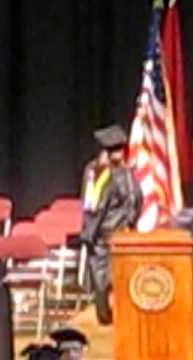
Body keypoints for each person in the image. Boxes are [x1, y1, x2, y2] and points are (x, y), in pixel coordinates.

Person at [80, 124, 142, 325]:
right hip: (111, 233)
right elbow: (134, 200)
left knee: (104, 276)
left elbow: (89, 205)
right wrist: (129, 223)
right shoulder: (119, 172)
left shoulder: (92, 170)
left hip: (103, 232)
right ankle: (109, 315)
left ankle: (105, 314)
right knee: (109, 276)